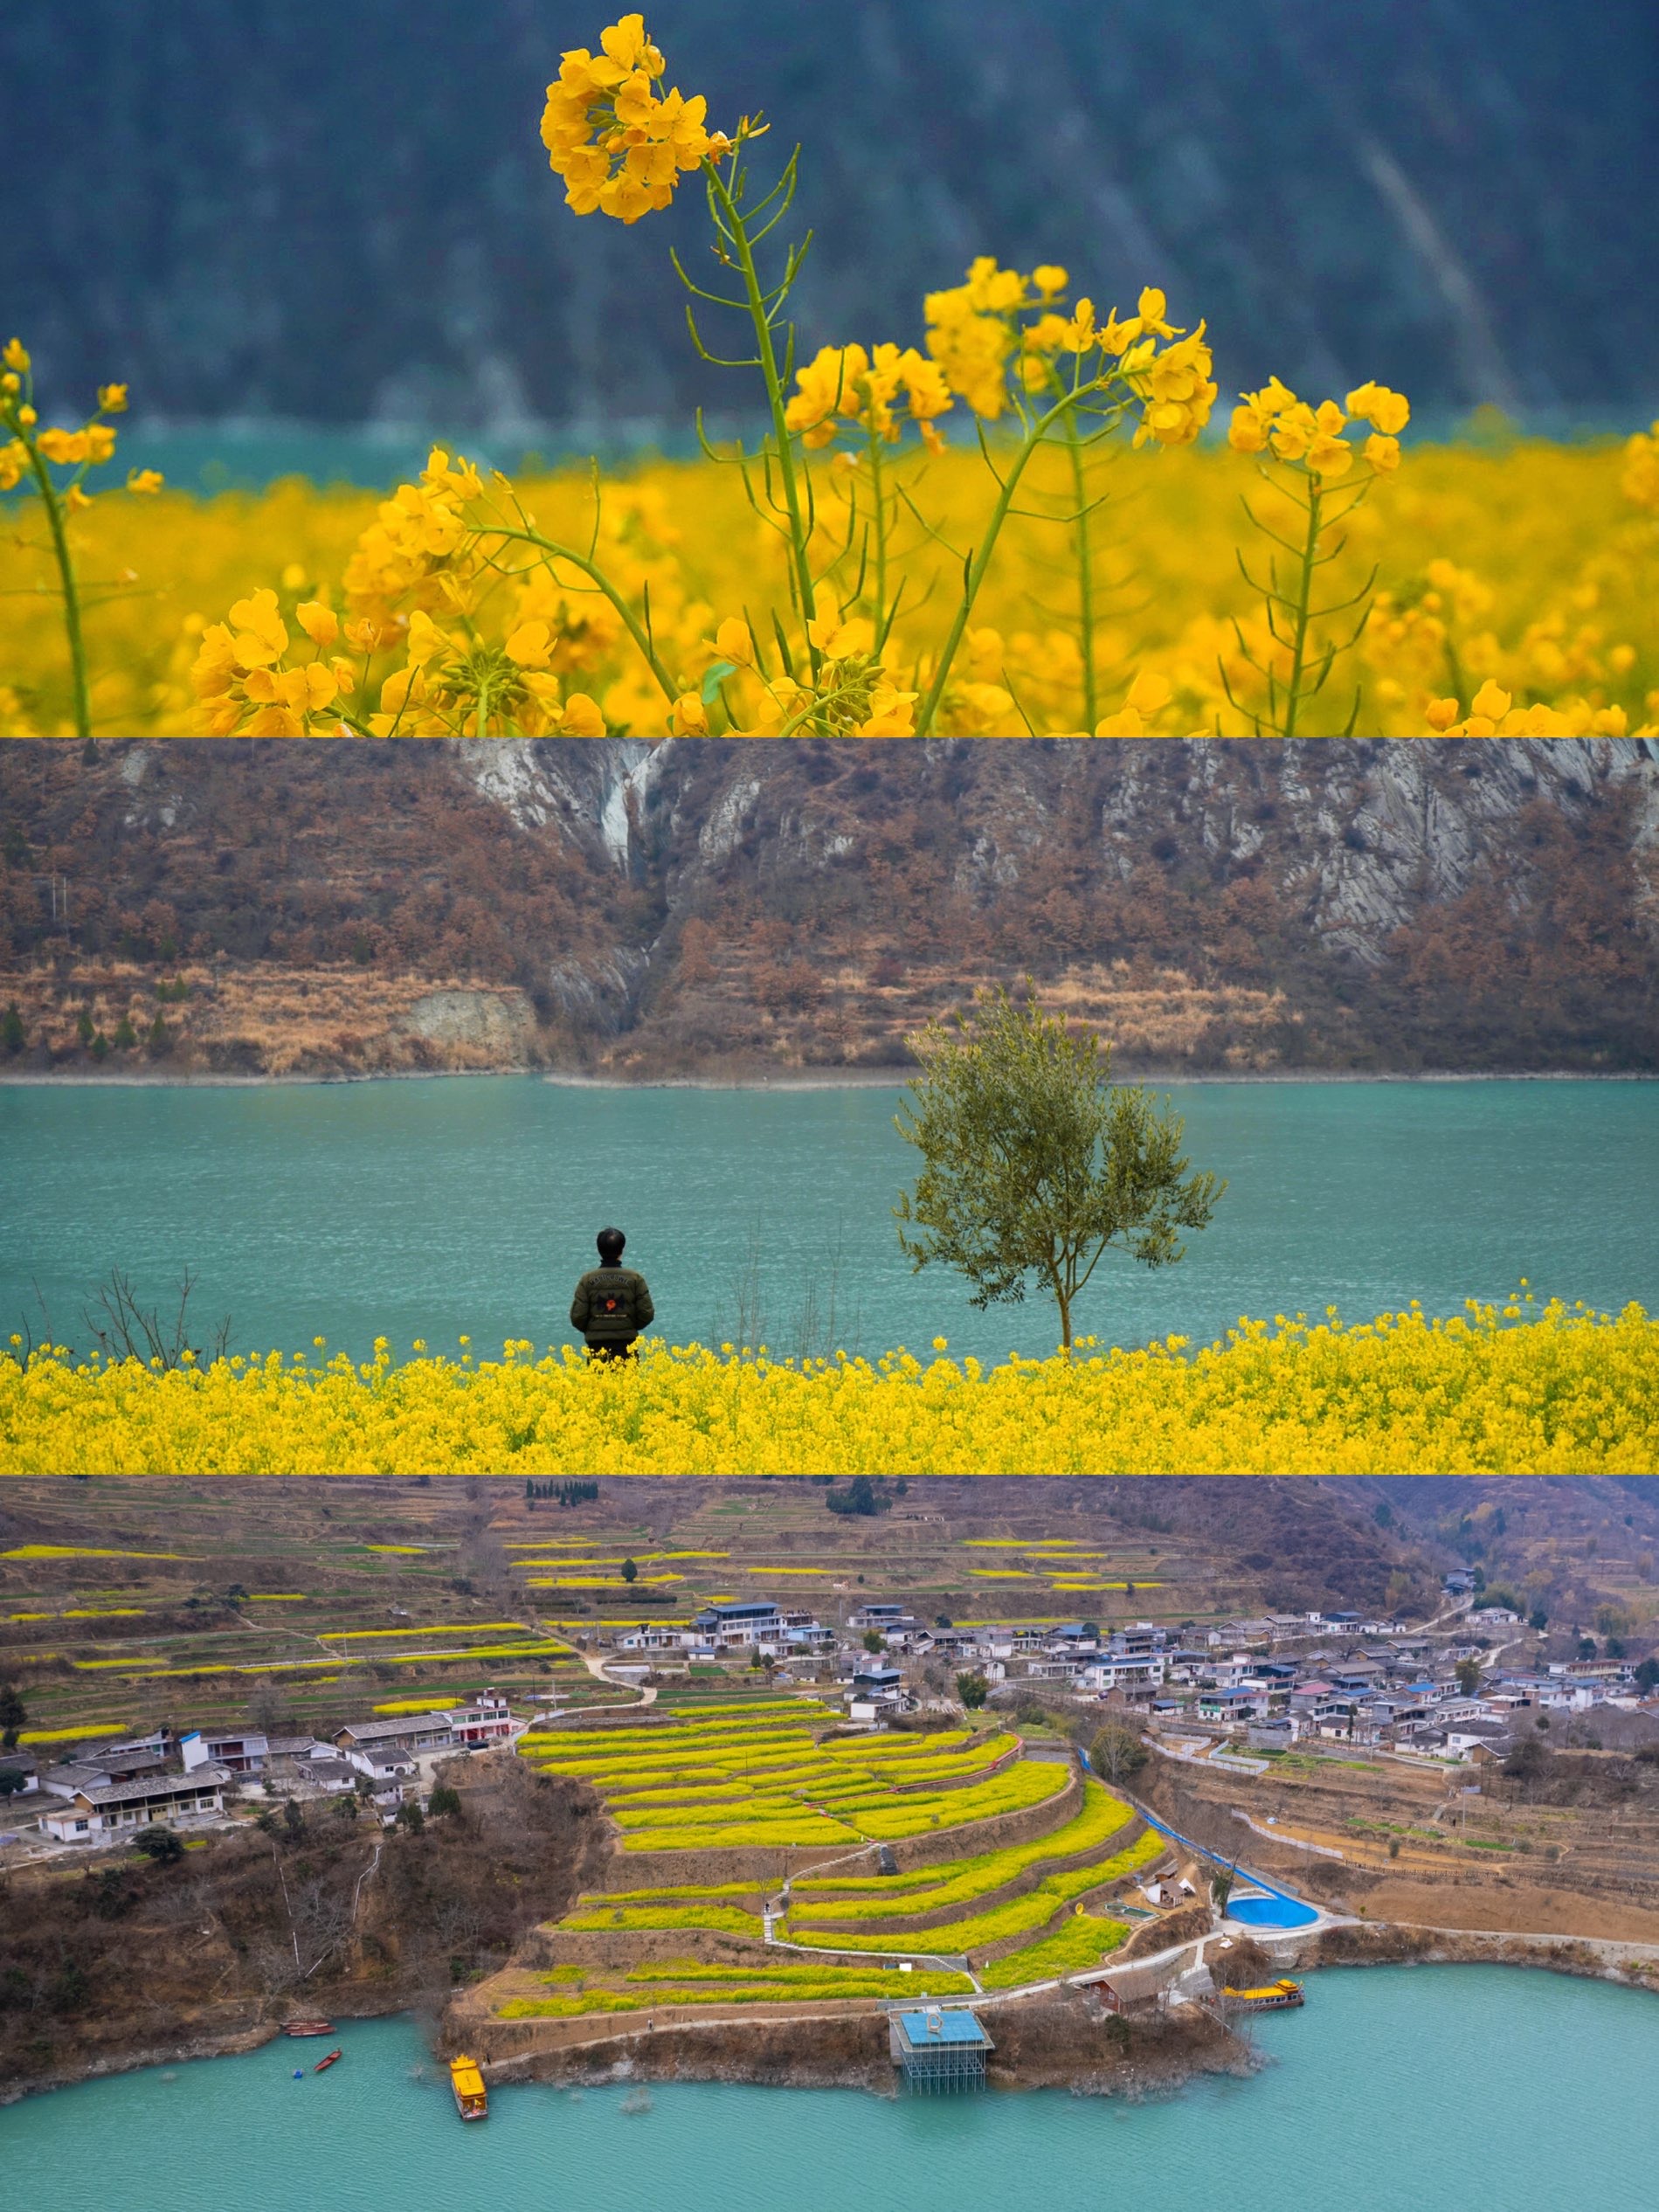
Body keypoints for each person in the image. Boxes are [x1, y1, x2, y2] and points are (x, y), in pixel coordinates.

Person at [570, 1227, 654, 1360]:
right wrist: (628, 1326)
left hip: (596, 1349)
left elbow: (578, 1317)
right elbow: (646, 1313)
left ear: (599, 1250)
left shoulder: (587, 1280)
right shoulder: (635, 1279)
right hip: (627, 1347)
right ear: (622, 1250)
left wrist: (594, 1329)